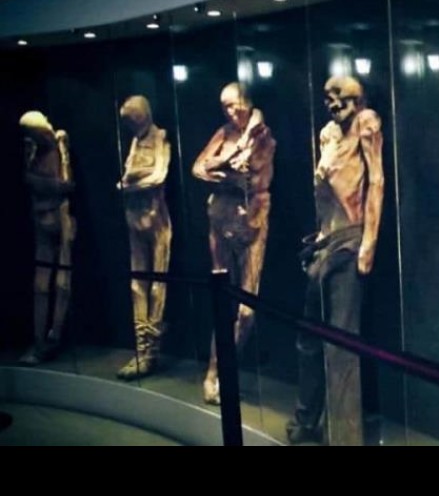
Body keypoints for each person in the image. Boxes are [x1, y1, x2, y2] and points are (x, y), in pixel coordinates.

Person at [286, 76, 384, 445]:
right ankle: (307, 419)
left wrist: (369, 243)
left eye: (340, 96)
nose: (333, 103)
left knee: (341, 346)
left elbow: (377, 181)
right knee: (309, 340)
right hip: (324, 244)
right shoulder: (328, 135)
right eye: (328, 97)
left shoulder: (367, 124)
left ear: (358, 99)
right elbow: (324, 196)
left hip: (349, 243)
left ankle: (345, 438)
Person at [192, 82, 276, 405]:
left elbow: (253, 178)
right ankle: (213, 374)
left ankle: (224, 369)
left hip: (251, 221)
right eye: (224, 106)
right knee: (221, 300)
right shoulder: (225, 133)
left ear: (247, 102)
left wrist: (223, 167)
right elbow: (199, 167)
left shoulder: (263, 136)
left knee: (246, 310)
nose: (229, 112)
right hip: (220, 218)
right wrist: (227, 167)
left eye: (233, 104)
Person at [116, 95, 172, 380]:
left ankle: (151, 351)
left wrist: (130, 184)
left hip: (156, 221)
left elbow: (158, 176)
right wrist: (132, 180)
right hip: (134, 219)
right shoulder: (135, 142)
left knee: (157, 286)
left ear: (144, 115)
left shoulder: (160, 137)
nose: (131, 125)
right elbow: (126, 176)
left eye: (133, 119)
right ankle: (141, 349)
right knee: (137, 285)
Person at [18, 111, 76, 365]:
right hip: (41, 216)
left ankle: (54, 336)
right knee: (40, 284)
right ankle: (39, 340)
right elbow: (29, 180)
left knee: (62, 278)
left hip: (60, 214)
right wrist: (45, 184)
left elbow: (66, 185)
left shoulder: (59, 144)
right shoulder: (32, 149)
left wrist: (40, 183)